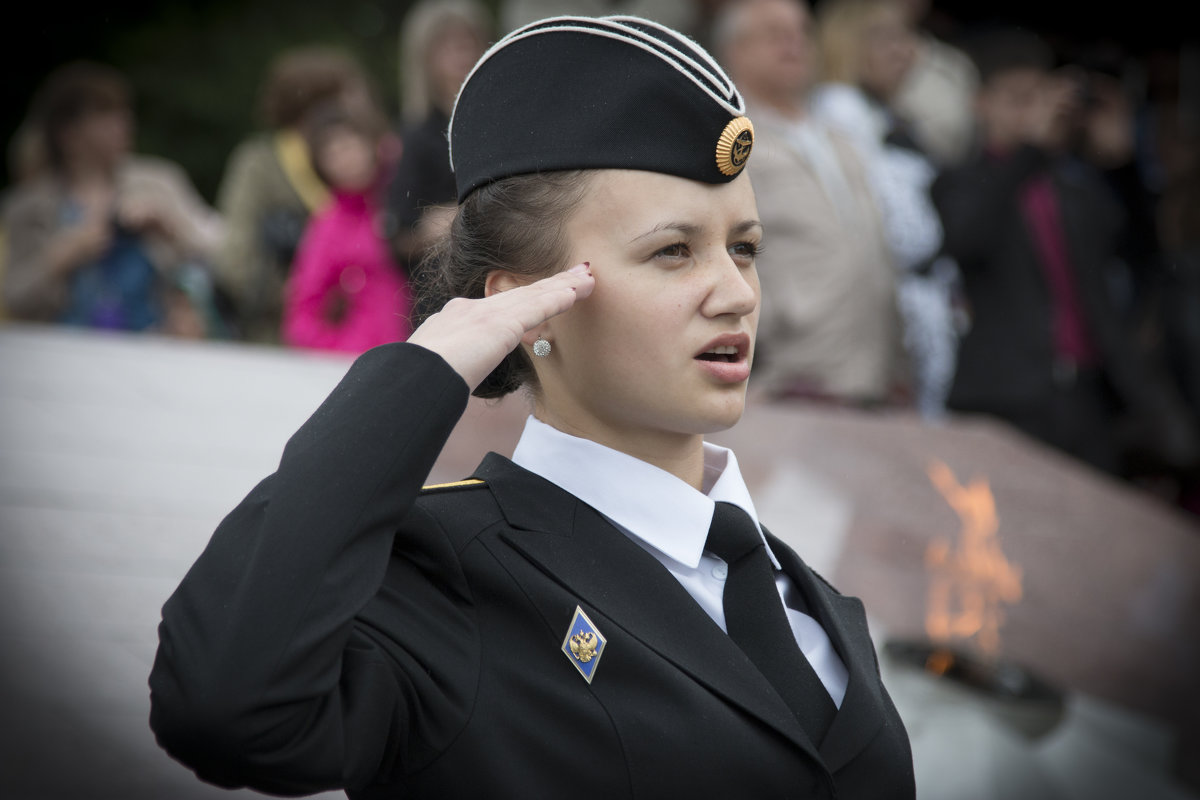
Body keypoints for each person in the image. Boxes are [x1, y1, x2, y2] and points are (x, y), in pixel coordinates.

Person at [149, 15, 914, 798]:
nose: (735, 292)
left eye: (744, 247)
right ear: (531, 306)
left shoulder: (808, 595)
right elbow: (222, 706)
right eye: (672, 251)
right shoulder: (450, 575)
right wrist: (423, 371)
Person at [933, 27, 1198, 477]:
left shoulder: (1074, 184)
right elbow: (964, 238)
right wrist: (1031, 148)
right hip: (1007, 396)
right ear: (981, 103)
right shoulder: (961, 179)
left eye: (1042, 97)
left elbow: (1147, 251)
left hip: (1089, 397)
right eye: (1017, 98)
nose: (1033, 111)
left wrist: (1123, 163)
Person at [715, 0, 903, 406]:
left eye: (801, 31)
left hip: (872, 375)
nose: (793, 43)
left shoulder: (841, 138)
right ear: (735, 50)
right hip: (790, 378)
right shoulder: (727, 142)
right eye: (774, 33)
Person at [811, 0, 962, 419]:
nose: (903, 51)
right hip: (883, 313)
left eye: (906, 37)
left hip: (914, 308)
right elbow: (902, 233)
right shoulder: (839, 109)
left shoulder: (887, 114)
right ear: (846, 43)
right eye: (883, 38)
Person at [2, 61, 224, 337]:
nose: (123, 124)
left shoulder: (158, 182)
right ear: (68, 133)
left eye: (123, 113)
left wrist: (172, 229)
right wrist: (60, 257)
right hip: (59, 355)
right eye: (105, 115)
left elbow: (224, 253)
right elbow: (13, 299)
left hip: (154, 351)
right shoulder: (29, 206)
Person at [213, 46, 379, 343]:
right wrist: (305, 287)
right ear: (314, 108)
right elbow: (235, 262)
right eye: (349, 99)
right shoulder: (259, 165)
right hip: (276, 341)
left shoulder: (370, 166)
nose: (361, 108)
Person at [282, 102, 413, 354]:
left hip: (425, 343)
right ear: (320, 166)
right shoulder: (327, 226)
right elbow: (301, 316)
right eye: (332, 154)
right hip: (365, 358)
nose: (345, 159)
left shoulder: (404, 197)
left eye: (350, 145)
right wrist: (344, 349)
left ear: (371, 144)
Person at [383, 0, 490, 276]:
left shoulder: (503, 120)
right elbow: (398, 235)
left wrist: (466, 215)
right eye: (446, 44)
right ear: (423, 59)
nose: (461, 52)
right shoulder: (414, 136)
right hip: (445, 284)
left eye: (468, 39)